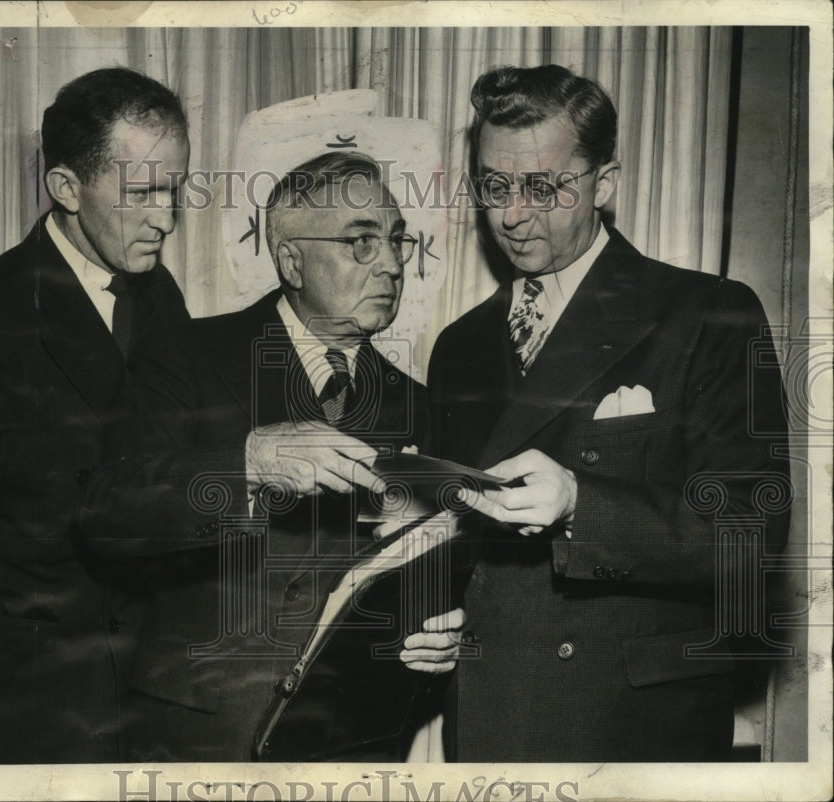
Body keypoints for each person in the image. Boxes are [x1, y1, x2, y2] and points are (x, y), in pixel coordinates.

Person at [424, 64, 790, 762]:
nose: (511, 214)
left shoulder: (707, 313)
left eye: (542, 187)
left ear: (606, 183)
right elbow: (459, 544)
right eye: (494, 186)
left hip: (631, 734)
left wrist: (580, 505)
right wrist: (424, 617)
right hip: (487, 722)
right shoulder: (460, 346)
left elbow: (751, 538)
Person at [79, 151, 441, 761]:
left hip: (349, 741)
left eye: (397, 241)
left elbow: (415, 570)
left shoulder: (419, 405)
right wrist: (246, 463)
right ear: (292, 260)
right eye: (361, 242)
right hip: (200, 738)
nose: (391, 264)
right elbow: (105, 513)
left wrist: (436, 629)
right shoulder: (186, 353)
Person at [0, 67, 191, 764]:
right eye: (141, 192)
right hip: (31, 729)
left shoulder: (159, 296)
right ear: (67, 189)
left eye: (175, 188)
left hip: (154, 715)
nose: (165, 217)